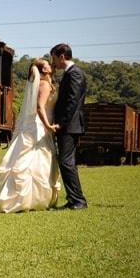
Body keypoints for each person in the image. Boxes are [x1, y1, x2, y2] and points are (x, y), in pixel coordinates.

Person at [0, 58, 61, 213]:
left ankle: (26, 198)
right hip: (40, 127)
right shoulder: (45, 85)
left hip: (33, 126)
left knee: (25, 162)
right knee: (36, 162)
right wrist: (48, 126)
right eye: (47, 64)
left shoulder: (40, 84)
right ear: (44, 70)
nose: (50, 65)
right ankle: (33, 199)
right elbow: (40, 107)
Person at [50, 43, 88, 210]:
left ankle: (78, 200)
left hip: (70, 126)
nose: (53, 63)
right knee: (67, 162)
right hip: (70, 125)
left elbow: (72, 102)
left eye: (54, 58)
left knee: (66, 162)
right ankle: (74, 199)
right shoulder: (70, 74)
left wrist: (61, 123)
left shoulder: (75, 74)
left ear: (62, 56)